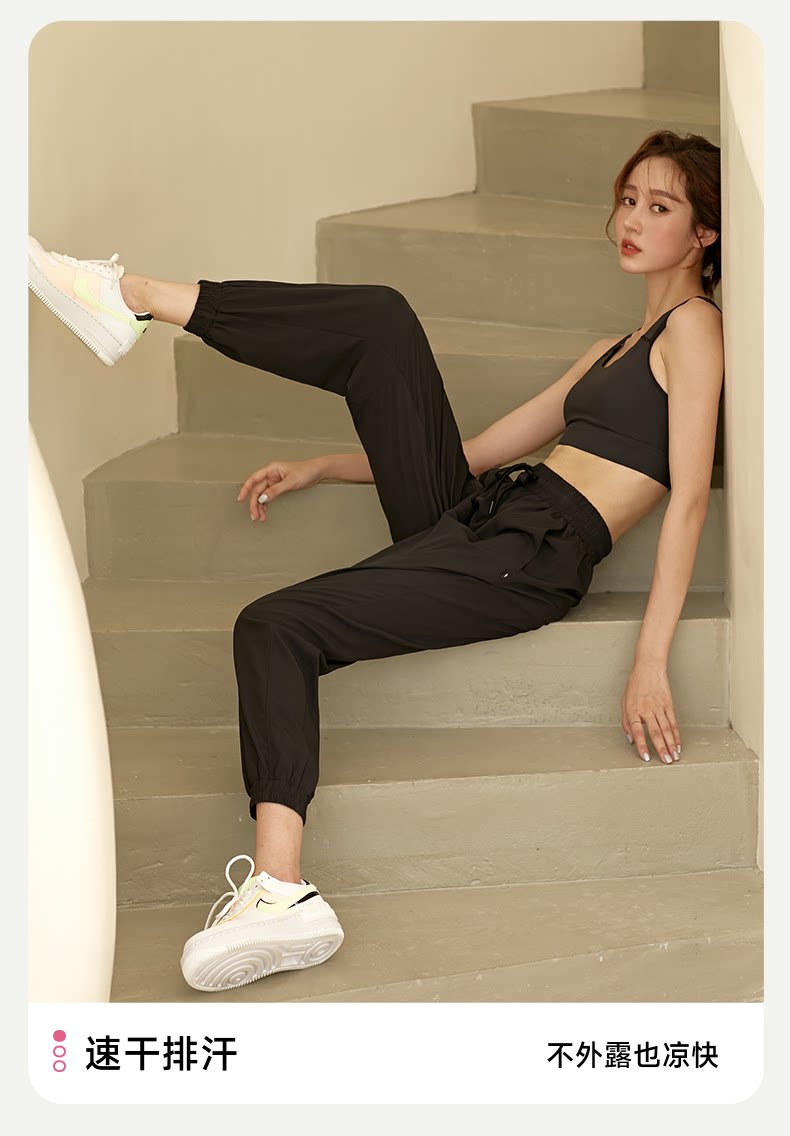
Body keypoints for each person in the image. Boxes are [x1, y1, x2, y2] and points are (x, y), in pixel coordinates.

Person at [28, 128, 723, 995]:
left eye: (660, 207)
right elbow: (475, 454)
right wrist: (326, 466)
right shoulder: (612, 349)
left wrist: (651, 660)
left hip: (531, 554)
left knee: (275, 626)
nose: (633, 220)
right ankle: (132, 299)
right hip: (486, 512)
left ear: (704, 233)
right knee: (382, 319)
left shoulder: (696, 330)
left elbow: (689, 498)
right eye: (627, 200)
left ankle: (281, 890)